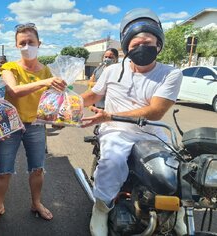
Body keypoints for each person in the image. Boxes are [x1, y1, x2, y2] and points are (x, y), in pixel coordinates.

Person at [80, 8, 186, 236]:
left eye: (148, 41)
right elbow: (93, 96)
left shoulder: (171, 74)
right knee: (112, 162)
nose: (142, 46)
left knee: (172, 169)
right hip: (116, 130)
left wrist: (109, 114)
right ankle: (101, 208)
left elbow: (156, 111)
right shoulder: (112, 70)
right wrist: (67, 103)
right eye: (136, 43)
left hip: (152, 132)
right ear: (126, 46)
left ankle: (177, 211)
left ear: (159, 44)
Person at [0, 23, 66, 227]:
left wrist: (59, 115)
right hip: (10, 126)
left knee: (37, 169)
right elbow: (14, 91)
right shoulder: (9, 68)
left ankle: (36, 203)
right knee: (4, 170)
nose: (27, 46)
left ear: (39, 43)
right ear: (16, 45)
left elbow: (52, 100)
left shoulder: (48, 71)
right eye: (22, 43)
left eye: (31, 42)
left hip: (36, 126)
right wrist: (45, 83)